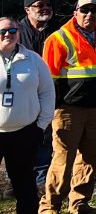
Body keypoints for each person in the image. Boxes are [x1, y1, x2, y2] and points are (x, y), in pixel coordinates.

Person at [40, 0, 96, 214]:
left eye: (94, 10)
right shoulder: (58, 38)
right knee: (63, 159)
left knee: (91, 158)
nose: (89, 14)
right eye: (84, 10)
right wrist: (51, 109)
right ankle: (50, 207)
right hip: (68, 109)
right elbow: (50, 79)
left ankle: (79, 203)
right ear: (75, 12)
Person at [0, 16, 55, 214]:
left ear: (19, 33)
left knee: (25, 183)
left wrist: (41, 125)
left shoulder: (33, 59)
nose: (8, 34)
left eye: (13, 31)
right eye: (3, 31)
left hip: (25, 131)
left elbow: (47, 92)